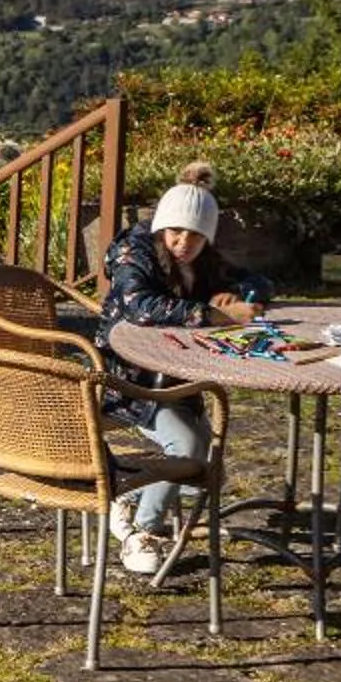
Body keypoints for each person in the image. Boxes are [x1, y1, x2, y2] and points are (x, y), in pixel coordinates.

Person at [96, 161, 271, 576]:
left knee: (207, 462)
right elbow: (138, 307)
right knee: (193, 450)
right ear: (160, 226)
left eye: (195, 236)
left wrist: (237, 293)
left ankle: (131, 498)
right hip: (130, 377)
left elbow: (259, 281)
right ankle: (143, 530)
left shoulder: (204, 257)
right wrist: (216, 316)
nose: (183, 242)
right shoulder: (132, 253)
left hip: (177, 373)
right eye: (176, 232)